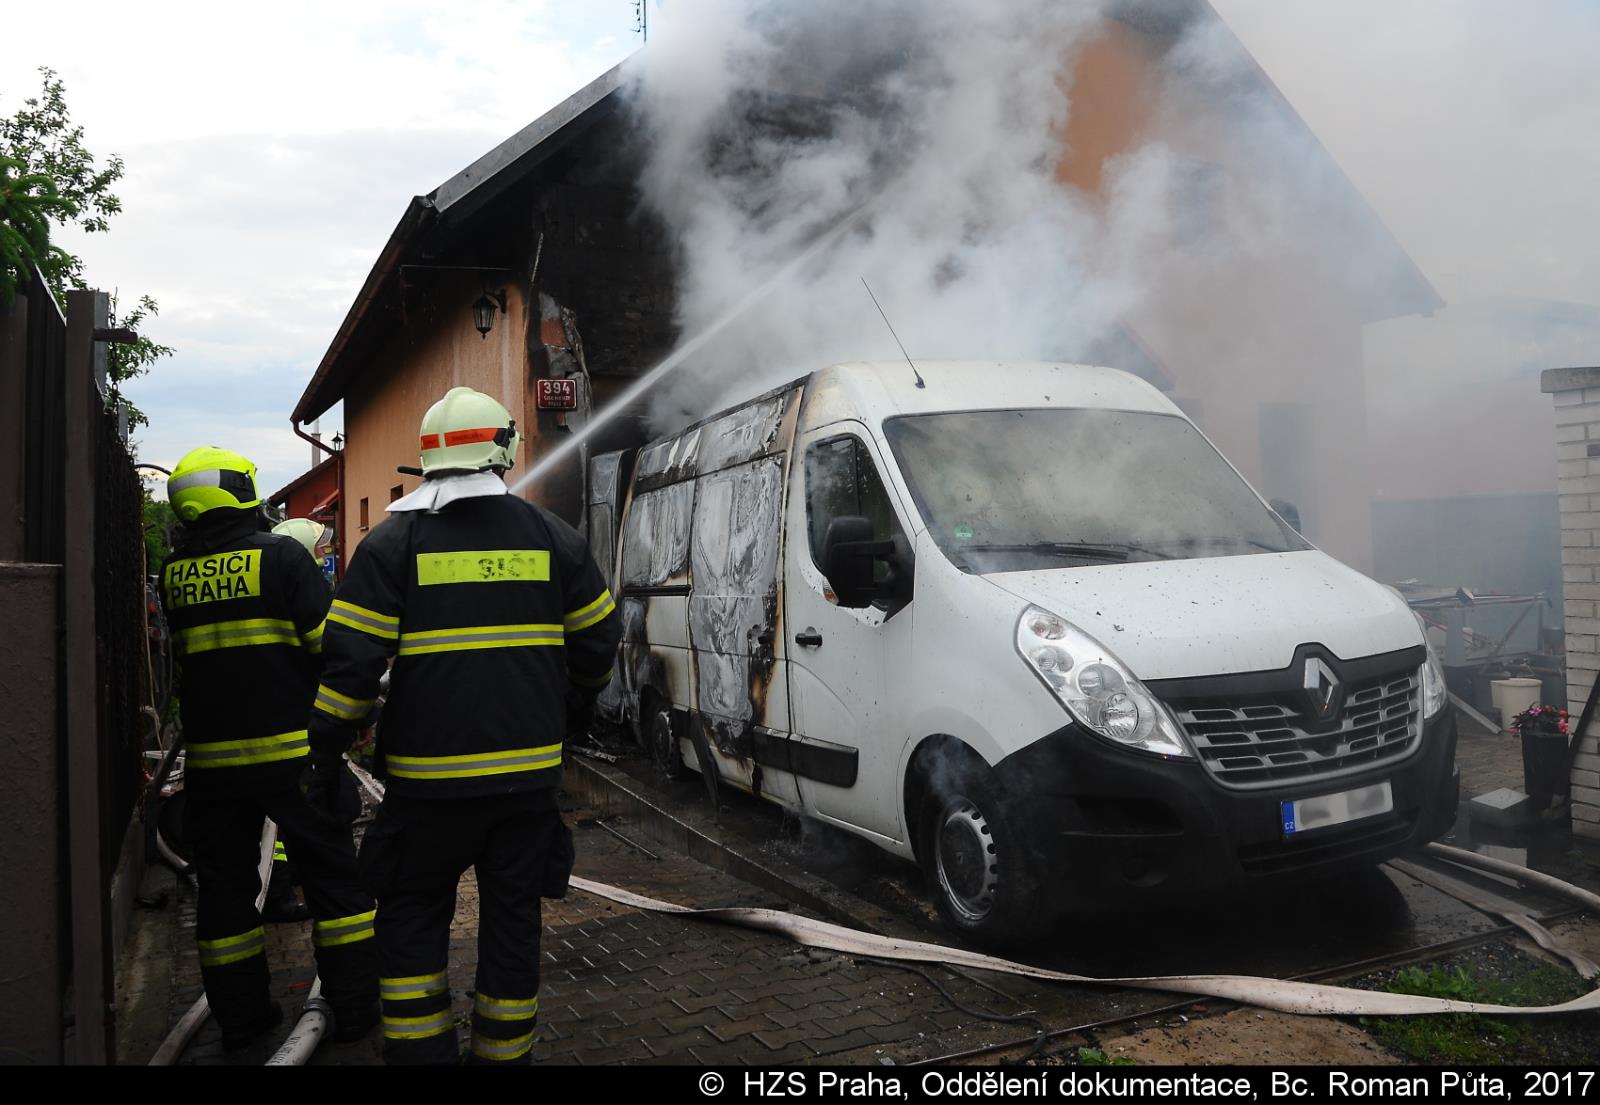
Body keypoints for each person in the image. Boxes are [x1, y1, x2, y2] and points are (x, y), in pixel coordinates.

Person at [306, 387, 620, 1065]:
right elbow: (600, 642)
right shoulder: (554, 539)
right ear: (503, 451)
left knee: (412, 919)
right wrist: (572, 707)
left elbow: (350, 670)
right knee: (513, 923)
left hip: (425, 792)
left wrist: (323, 751)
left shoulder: (392, 545)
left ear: (428, 457)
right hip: (526, 789)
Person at [160, 446, 378, 1050]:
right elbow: (329, 649)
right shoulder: (280, 557)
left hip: (214, 767)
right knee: (335, 882)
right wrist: (359, 716)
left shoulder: (173, 573)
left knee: (225, 893)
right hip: (295, 759)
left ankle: (242, 1020)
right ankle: (353, 1010)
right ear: (239, 491)